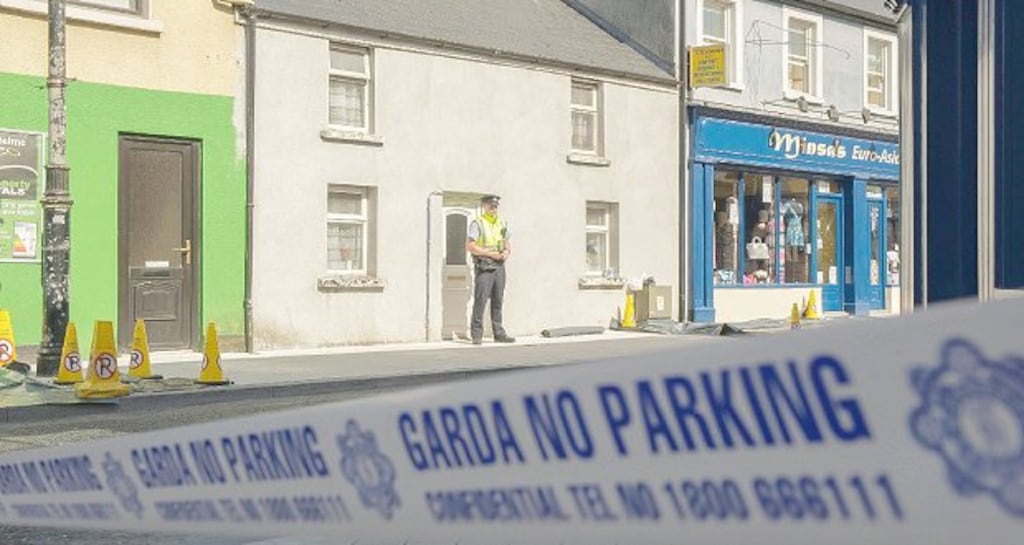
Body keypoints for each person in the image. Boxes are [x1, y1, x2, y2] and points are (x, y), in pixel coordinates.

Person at [466, 194, 515, 345]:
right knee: (481, 300)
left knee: (498, 300)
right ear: (484, 206)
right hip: (485, 266)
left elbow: (507, 244)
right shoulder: (478, 223)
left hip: (499, 266)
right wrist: (490, 254)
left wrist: (506, 252)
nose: (494, 208)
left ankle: (499, 333)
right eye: (491, 206)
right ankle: (477, 334)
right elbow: (470, 246)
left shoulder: (502, 223)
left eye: (496, 206)